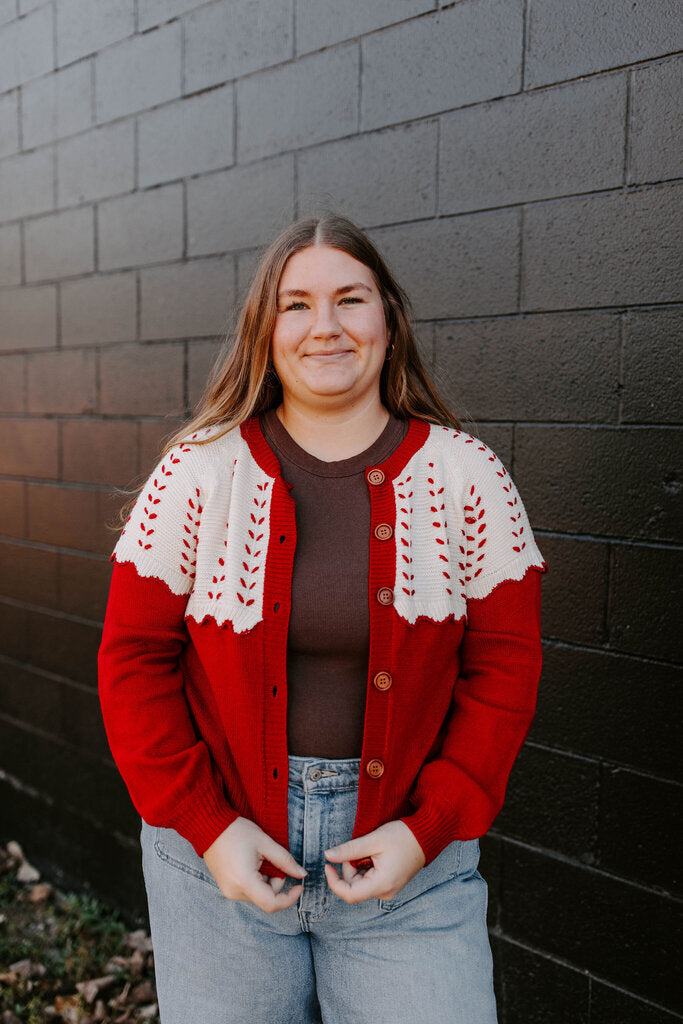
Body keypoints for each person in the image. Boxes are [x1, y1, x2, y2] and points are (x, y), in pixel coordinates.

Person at [98, 213, 547, 1024]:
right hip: (217, 865)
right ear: (264, 330)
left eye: (351, 299)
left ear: (389, 320)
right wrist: (207, 825)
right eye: (296, 304)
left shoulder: (467, 476)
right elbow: (132, 660)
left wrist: (428, 828)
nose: (326, 327)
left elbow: (504, 671)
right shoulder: (195, 473)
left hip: (413, 862)